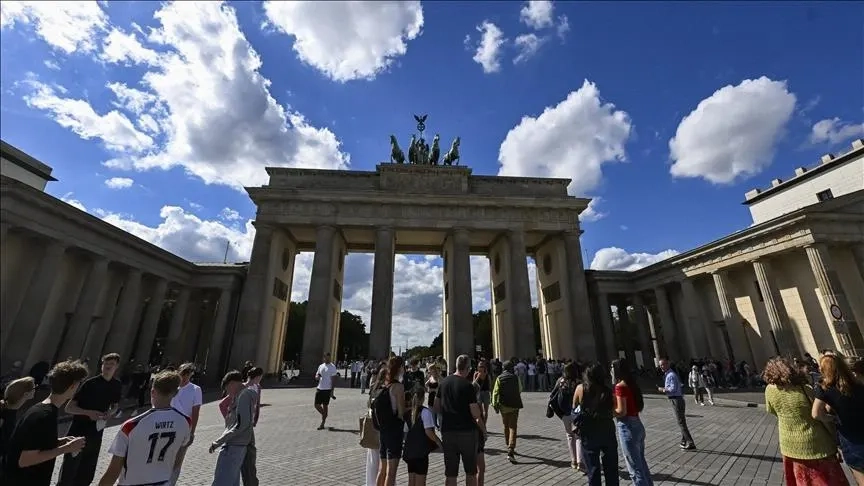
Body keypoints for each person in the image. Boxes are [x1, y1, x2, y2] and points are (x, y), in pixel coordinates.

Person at [763, 356, 848, 485]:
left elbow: (771, 411)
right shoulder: (805, 389)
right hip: (816, 444)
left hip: (789, 445)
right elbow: (821, 416)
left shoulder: (769, 390)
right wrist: (834, 440)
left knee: (803, 481)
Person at [97, 371, 191, 486]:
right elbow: (178, 459)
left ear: (152, 392)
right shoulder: (185, 422)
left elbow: (112, 472)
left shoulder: (131, 426)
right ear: (176, 393)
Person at [4, 360, 89, 486]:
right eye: (79, 384)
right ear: (72, 386)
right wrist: (67, 448)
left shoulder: (42, 409)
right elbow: (25, 460)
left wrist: (58, 442)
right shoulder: (44, 416)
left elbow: (34, 444)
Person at [59, 352, 123, 486]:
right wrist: (88, 413)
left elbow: (115, 406)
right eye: (105, 363)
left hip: (96, 434)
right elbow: (69, 408)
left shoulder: (116, 385)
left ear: (116, 367)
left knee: (87, 473)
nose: (108, 367)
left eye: (111, 364)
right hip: (78, 433)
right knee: (69, 473)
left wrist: (110, 413)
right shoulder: (90, 384)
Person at [811, 354, 864, 484]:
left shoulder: (825, 388)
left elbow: (816, 414)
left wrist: (832, 418)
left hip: (851, 439)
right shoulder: (858, 383)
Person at [435, 354, 486, 486]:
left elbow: (436, 406)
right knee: (470, 472)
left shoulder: (444, 383)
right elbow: (475, 414)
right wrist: (483, 430)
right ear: (468, 368)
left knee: (451, 473)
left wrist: (447, 414)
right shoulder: (467, 386)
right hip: (467, 433)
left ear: (456, 366)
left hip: (447, 432)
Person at [573, 363, 619, 486]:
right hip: (607, 430)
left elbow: (575, 408)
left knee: (592, 469)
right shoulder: (608, 391)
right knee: (611, 468)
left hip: (589, 432)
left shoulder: (580, 388)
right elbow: (614, 411)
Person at [209, 370, 257, 486]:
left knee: (222, 481)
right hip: (235, 444)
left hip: (235, 445)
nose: (227, 393)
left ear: (232, 383)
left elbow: (241, 425)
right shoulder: (239, 396)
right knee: (230, 481)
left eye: (227, 389)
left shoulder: (244, 396)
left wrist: (218, 442)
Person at [612, 359, 652, 486]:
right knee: (641, 464)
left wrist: (609, 411)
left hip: (626, 426)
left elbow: (621, 411)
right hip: (637, 424)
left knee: (634, 469)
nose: (610, 371)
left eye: (612, 368)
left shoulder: (620, 386)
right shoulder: (631, 384)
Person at [168, 363, 203, 485]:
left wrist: (192, 432)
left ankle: (172, 482)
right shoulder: (172, 387)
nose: (184, 377)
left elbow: (196, 411)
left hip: (184, 429)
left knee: (178, 459)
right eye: (183, 373)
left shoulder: (195, 389)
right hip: (167, 426)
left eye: (188, 374)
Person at [374, 356, 406, 486]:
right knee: (391, 472)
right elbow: (401, 412)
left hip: (382, 429)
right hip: (394, 430)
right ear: (399, 368)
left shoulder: (383, 385)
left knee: (382, 469)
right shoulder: (398, 387)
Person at [402, 386, 442, 486]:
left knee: (411, 480)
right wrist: (438, 442)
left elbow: (405, 432)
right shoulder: (425, 412)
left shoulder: (407, 412)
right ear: (423, 397)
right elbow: (429, 432)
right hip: (421, 452)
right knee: (420, 482)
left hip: (410, 452)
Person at [0, 377, 37, 480]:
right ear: (25, 394)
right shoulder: (5, 412)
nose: (36, 389)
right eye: (34, 388)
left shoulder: (10, 409)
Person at [657, 358, 695, 450]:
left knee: (681, 422)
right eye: (660, 365)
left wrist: (662, 389)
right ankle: (684, 440)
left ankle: (690, 442)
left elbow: (672, 389)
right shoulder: (669, 374)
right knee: (681, 421)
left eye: (663, 364)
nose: (661, 367)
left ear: (667, 364)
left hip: (676, 399)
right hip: (677, 399)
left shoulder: (670, 375)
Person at [552, 362, 584, 472]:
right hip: (577, 413)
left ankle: (573, 461)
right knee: (579, 437)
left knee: (570, 436)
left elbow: (553, 397)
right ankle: (580, 462)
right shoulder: (579, 382)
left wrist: (559, 413)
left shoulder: (560, 381)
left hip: (564, 413)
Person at [490, 359, 522, 462]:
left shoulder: (499, 378)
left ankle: (507, 444)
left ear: (503, 368)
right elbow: (520, 389)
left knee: (506, 426)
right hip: (515, 405)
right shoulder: (516, 377)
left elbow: (495, 392)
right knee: (513, 427)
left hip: (504, 406)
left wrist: (494, 404)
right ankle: (511, 448)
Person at [315, 353, 338, 430]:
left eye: (328, 357)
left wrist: (332, 391)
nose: (327, 359)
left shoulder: (332, 367)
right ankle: (324, 414)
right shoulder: (321, 366)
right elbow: (317, 375)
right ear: (323, 358)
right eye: (325, 357)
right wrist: (317, 377)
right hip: (319, 388)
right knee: (316, 405)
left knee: (325, 405)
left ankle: (322, 423)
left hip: (327, 389)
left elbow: (334, 380)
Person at [426, 364, 442, 429]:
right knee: (433, 419)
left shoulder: (439, 378)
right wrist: (428, 389)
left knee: (439, 417)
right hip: (431, 399)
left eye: (430, 370)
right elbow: (426, 385)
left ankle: (441, 430)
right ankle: (435, 428)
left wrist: (433, 389)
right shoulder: (431, 377)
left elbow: (440, 388)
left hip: (437, 400)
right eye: (429, 371)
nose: (429, 372)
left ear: (434, 370)